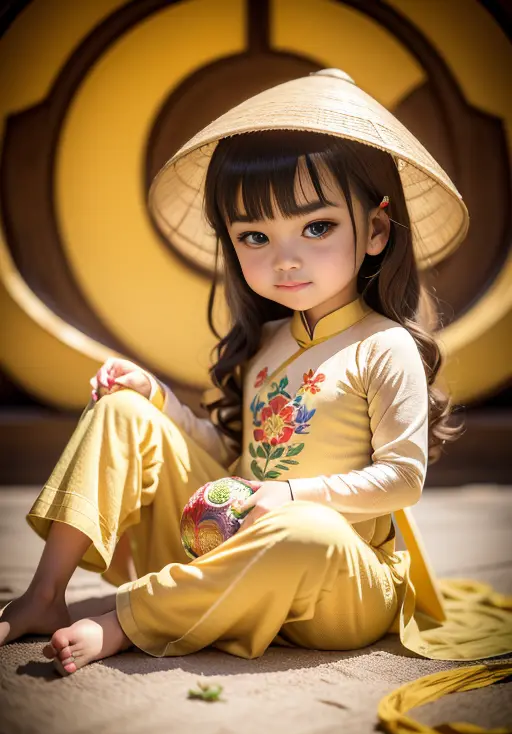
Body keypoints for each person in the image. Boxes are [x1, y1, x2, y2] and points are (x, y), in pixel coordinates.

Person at [1, 70, 510, 675]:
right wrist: (157, 397)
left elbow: (403, 480)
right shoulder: (268, 343)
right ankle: (44, 593)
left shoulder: (385, 345)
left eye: (317, 227)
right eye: (254, 235)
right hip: (228, 545)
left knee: (305, 529)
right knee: (122, 409)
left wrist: (288, 497)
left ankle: (130, 621)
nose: (284, 259)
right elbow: (238, 461)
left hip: (339, 580)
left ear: (376, 229)